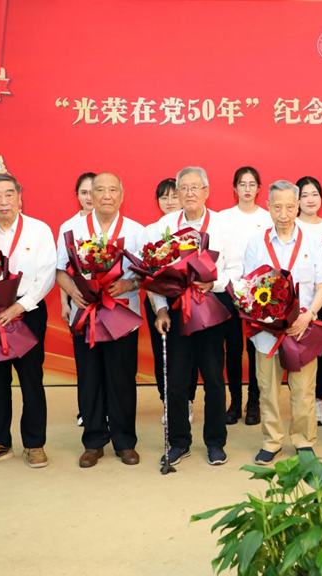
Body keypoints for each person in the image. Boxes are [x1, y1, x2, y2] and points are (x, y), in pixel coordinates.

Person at [0, 174, 57, 469]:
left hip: (28, 313)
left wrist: (19, 306)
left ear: (19, 196)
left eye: (9, 194)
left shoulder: (39, 230)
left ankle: (34, 444)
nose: (3, 201)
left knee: (31, 380)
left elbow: (47, 275)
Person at [152, 167, 242, 467]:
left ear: (206, 191)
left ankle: (215, 442)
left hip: (212, 305)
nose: (189, 193)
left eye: (195, 187)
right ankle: (179, 442)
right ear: (177, 193)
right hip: (177, 308)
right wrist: (161, 308)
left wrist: (212, 283)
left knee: (214, 378)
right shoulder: (164, 226)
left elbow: (236, 269)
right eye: (184, 188)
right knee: (177, 381)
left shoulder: (224, 225)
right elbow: (154, 273)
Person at [56, 172, 146, 468]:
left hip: (122, 314)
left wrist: (129, 283)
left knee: (122, 379)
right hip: (86, 313)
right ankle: (93, 442)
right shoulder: (71, 229)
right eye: (100, 190)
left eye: (113, 190)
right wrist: (73, 292)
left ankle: (125, 442)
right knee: (89, 378)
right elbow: (60, 270)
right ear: (89, 195)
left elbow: (147, 274)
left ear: (122, 194)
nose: (107, 196)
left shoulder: (136, 230)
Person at [244, 180, 322, 465]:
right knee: (267, 389)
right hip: (266, 331)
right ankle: (271, 442)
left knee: (304, 390)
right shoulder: (256, 242)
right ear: (268, 207)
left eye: (289, 207)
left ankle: (304, 441)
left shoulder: (313, 242)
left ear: (298, 208)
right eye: (277, 207)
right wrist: (265, 318)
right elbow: (249, 286)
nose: (283, 214)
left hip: (301, 328)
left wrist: (309, 316)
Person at [219, 167, 271, 426]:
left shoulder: (268, 217)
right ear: (235, 188)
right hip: (229, 289)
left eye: (252, 184)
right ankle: (235, 401)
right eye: (242, 184)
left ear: (259, 188)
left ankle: (254, 401)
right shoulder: (223, 218)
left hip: (259, 292)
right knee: (233, 348)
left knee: (255, 348)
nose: (247, 189)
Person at [142, 178, 196, 425]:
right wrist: (158, 306)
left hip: (188, 300)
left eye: (175, 196)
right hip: (158, 301)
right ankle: (167, 402)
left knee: (187, 355)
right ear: (157, 202)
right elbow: (145, 271)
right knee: (162, 354)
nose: (170, 201)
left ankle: (187, 400)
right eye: (164, 197)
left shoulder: (192, 229)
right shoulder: (151, 231)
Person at [295, 175, 322, 426]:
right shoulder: (291, 225)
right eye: (304, 195)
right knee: (296, 354)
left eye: (315, 194)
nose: (310, 200)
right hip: (294, 303)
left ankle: (317, 400)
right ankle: (300, 402)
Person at [57, 172, 95, 428]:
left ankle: (107, 410)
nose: (89, 197)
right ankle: (87, 410)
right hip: (80, 304)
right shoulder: (68, 226)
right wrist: (65, 302)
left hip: (107, 304)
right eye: (84, 192)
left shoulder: (111, 223)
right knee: (85, 363)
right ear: (77, 196)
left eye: (94, 191)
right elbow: (62, 269)